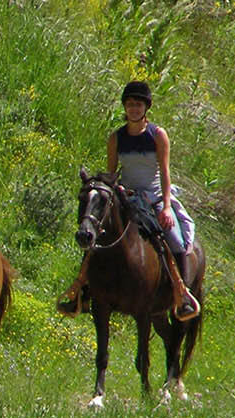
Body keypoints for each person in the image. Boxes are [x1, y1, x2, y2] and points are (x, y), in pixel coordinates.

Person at [56, 81, 198, 320]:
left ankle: (181, 294)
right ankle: (83, 291)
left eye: (138, 104)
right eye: (130, 104)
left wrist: (165, 207)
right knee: (97, 236)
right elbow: (111, 174)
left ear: (146, 108)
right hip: (127, 197)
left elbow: (164, 172)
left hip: (153, 196)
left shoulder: (158, 135)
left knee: (175, 240)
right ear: (125, 107)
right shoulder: (116, 137)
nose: (134, 109)